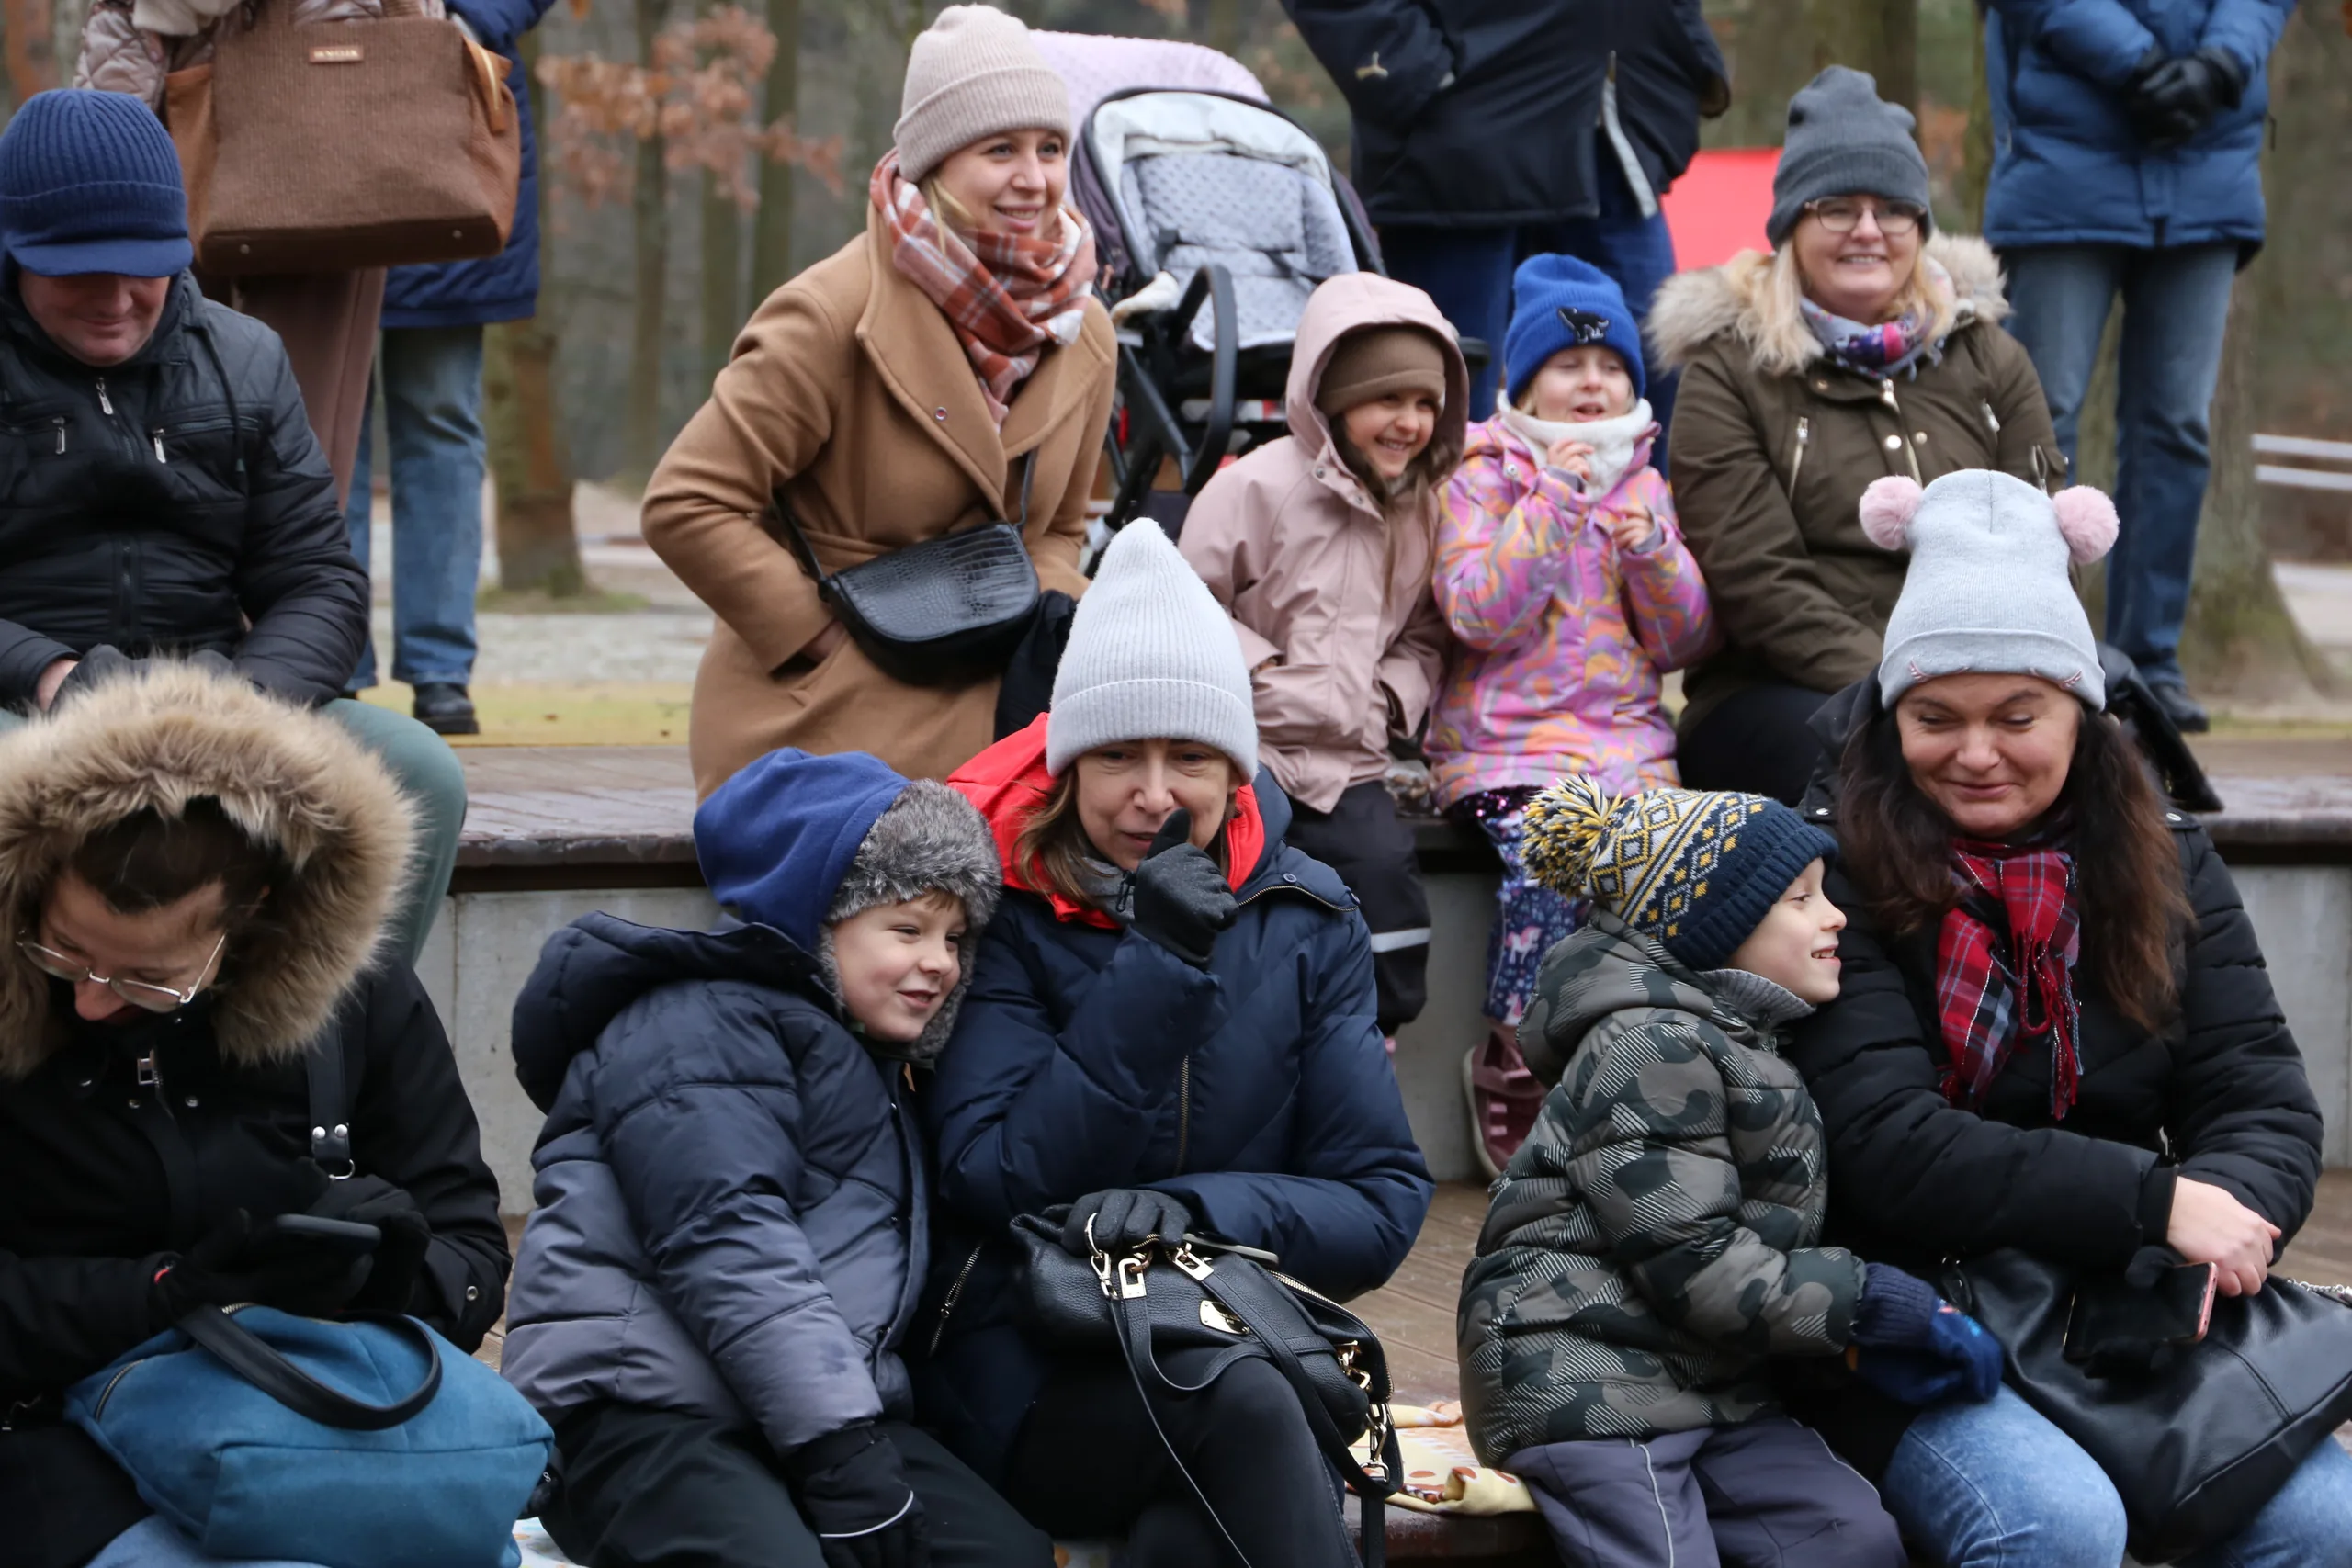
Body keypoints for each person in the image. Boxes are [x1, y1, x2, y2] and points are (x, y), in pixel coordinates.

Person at [1783, 468, 2347, 1566]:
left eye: (2016, 716)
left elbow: (2261, 1098)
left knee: (2327, 1523)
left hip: (2114, 1303)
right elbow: (1881, 1147)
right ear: (1891, 711)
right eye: (1934, 717)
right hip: (1892, 1309)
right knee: (2056, 1523)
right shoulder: (1823, 868)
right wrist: (2150, 1202)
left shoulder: (2166, 858)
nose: (1975, 752)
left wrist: (2197, 1242)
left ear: (2082, 716)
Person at [921, 518, 1434, 1568]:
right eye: (1117, 756)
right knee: (1246, 1407)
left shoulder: (1305, 915)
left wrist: (1196, 1214)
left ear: (1235, 771)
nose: (1154, 794)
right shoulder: (1003, 903)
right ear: (1067, 767)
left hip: (1228, 1327)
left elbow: (1379, 1198)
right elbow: (992, 1173)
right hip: (1023, 1361)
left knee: (1196, 1524)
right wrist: (1154, 965)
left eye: (1188, 756)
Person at [0, 660, 509, 1568]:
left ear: (256, 917)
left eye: (150, 978)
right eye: (66, 952)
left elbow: (472, 1257)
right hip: (42, 1434)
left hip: (305, 1414)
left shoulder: (355, 1001)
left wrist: (369, 1269)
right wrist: (172, 1290)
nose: (90, 1002)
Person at [501, 748, 1051, 1568]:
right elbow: (726, 1237)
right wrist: (839, 1450)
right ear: (813, 917)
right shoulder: (699, 1019)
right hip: (636, 1411)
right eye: (906, 927)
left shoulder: (870, 1060)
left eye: (954, 935)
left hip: (797, 1414)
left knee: (1002, 1554)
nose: (940, 960)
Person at [1461, 774, 2002, 1568]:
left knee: (1849, 1537)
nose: (1836, 916)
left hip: (1708, 1384)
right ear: (1715, 924)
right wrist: (1870, 1305)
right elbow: (1693, 1259)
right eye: (1801, 899)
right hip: (1586, 1376)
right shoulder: (1652, 1045)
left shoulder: (1742, 1038)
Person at [0, 90, 468, 966]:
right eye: (77, 270)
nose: (114, 299)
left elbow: (318, 580)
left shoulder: (246, 358)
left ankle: (334, 1056)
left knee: (420, 769)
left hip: (221, 697)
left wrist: (247, 705)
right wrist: (52, 675)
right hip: (25, 701)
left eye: (139, 267)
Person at [645, 3, 1117, 799]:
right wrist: (821, 637)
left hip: (1004, 688)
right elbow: (687, 502)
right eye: (999, 148)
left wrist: (1045, 621)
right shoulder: (832, 314)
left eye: (1049, 148)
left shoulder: (1085, 327)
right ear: (934, 160)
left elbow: (1063, 526)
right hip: (825, 714)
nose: (1033, 178)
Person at [1648, 66, 2064, 807]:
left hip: (1983, 680)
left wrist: (1987, 693)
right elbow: (1760, 582)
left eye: (1893, 209)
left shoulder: (1989, 356)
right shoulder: (1729, 370)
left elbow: (2041, 539)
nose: (1868, 230)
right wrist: (1915, 691)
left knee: (2115, 754)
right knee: (1878, 777)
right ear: (1791, 227)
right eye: (1836, 207)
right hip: (1780, 687)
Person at [1430, 254, 1716, 1177]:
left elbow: (1681, 643)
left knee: (1679, 871)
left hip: (1627, 747)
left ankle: (1632, 1066)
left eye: (1611, 369)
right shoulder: (1480, 477)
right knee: (1554, 857)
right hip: (1506, 749)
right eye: (1568, 366)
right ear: (1521, 383)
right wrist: (1552, 500)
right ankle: (1515, 1052)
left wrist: (1656, 560)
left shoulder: (1642, 483)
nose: (1592, 383)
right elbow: (1476, 610)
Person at [1984, 0, 2294, 735]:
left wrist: (2218, 65)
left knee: (2177, 427)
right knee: (2039, 422)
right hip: (2066, 163)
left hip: (2207, 165)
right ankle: (2029, 646)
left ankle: (2149, 661)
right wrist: (2139, 64)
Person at [1177, 272, 1462, 1046]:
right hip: (1251, 746)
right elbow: (1186, 597)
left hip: (1350, 759)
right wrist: (1258, 671)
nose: (1408, 422)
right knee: (1238, 876)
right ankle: (1231, 1036)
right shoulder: (1256, 487)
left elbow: (1425, 633)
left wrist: (1389, 696)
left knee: (1384, 880)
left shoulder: (1423, 510)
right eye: (1386, 401)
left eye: (1425, 404)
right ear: (1333, 398)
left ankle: (1374, 1040)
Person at [1281, 0, 1727, 433]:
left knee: (1649, 388)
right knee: (1449, 409)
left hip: (1612, 137)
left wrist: (1689, 51)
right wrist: (1408, 68)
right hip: (1461, 144)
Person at [74, 0, 435, 513]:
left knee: (299, 439)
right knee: (180, 420)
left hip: (324, 105)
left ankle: (289, 585)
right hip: (183, 112)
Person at [346, 0, 560, 738]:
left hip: (449, 126)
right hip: (308, 121)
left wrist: (472, 23)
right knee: (321, 432)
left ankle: (439, 669)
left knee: (438, 416)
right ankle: (329, 660)